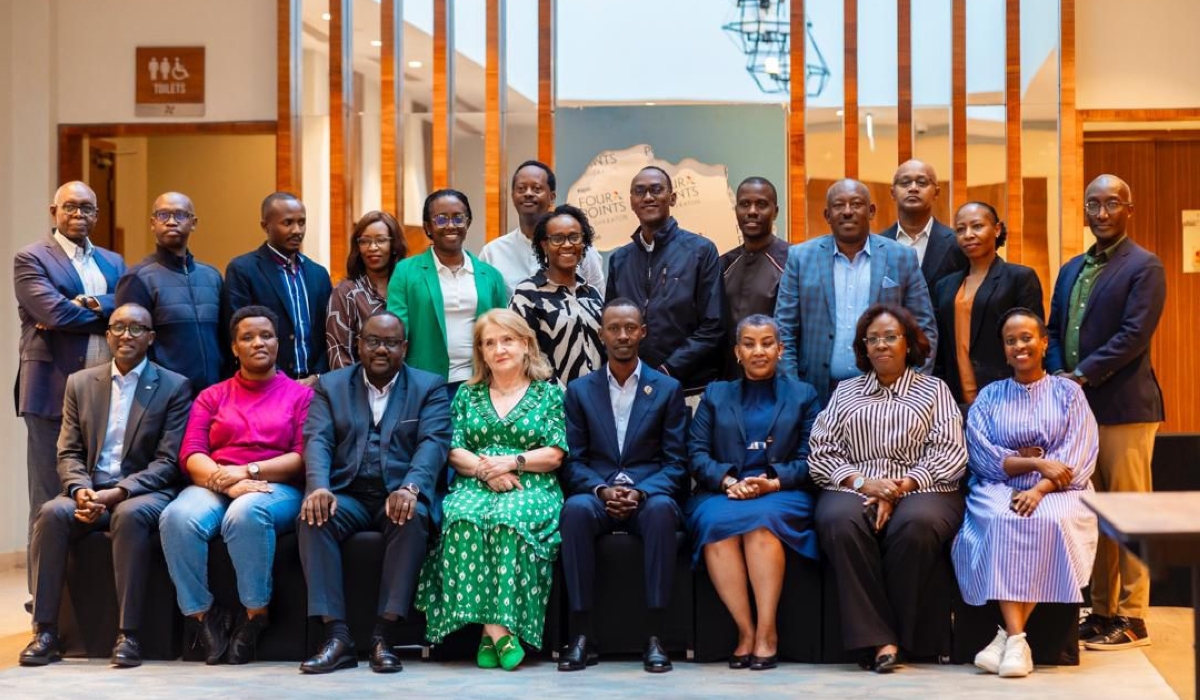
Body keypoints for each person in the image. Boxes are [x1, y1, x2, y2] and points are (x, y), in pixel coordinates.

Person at [20, 303, 192, 668]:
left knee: (128, 516)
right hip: (91, 489)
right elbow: (68, 451)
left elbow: (167, 462)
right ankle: (45, 632)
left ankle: (129, 635)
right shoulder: (80, 383)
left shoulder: (174, 386)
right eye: (117, 327)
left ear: (151, 337)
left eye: (136, 329)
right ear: (108, 334)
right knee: (51, 514)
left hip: (142, 493)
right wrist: (79, 490)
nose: (126, 335)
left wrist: (119, 492)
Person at [809, 303, 966, 673]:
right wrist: (865, 484)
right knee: (839, 522)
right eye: (872, 339)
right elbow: (821, 450)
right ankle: (884, 641)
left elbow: (951, 451)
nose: (881, 345)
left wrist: (901, 487)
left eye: (890, 337)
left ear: (908, 343)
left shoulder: (935, 390)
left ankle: (883, 638)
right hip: (856, 484)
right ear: (863, 348)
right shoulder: (845, 392)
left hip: (924, 484)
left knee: (916, 525)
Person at [1046, 174, 1166, 650]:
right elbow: (1053, 329)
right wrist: (1061, 374)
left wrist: (1081, 374)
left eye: (1112, 203)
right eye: (1093, 204)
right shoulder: (1071, 268)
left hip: (1125, 406)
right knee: (1093, 510)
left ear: (1128, 209)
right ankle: (1101, 610)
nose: (1101, 213)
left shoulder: (1144, 265)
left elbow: (1134, 334)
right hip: (1080, 410)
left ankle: (1134, 616)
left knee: (1129, 510)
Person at [158, 305, 313, 665]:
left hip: (275, 485)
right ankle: (203, 615)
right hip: (216, 481)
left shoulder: (300, 396)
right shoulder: (212, 395)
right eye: (248, 337)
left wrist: (247, 472)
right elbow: (192, 453)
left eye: (266, 335)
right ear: (234, 347)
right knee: (176, 517)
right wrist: (226, 483)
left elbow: (301, 457)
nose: (258, 343)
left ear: (278, 343)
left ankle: (255, 615)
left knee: (245, 514)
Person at [298, 312, 451, 674]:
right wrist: (318, 487)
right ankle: (336, 638)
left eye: (391, 343)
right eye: (373, 341)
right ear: (359, 345)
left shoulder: (428, 386)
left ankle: (385, 635)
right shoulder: (331, 385)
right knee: (312, 516)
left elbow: (433, 442)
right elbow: (317, 439)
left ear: (405, 348)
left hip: (397, 491)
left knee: (412, 516)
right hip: (347, 492)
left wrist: (411, 487)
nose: (381, 349)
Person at [415, 309, 566, 671]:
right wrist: (486, 471)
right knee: (462, 516)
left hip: (531, 483)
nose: (499, 349)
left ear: (525, 344)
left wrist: (510, 462)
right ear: (481, 352)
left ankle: (492, 632)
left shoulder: (548, 394)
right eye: (490, 343)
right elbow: (453, 449)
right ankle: (500, 634)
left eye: (507, 340)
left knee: (507, 518)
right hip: (476, 481)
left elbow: (555, 453)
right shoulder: (467, 395)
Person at [953, 308, 1100, 678]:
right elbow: (982, 454)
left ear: (1044, 343)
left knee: (1049, 521)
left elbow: (1077, 457)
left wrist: (1040, 487)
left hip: (1060, 490)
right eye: (1010, 341)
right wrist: (1035, 463)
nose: (1019, 346)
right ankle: (1018, 638)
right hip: (999, 485)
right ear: (1004, 350)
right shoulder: (990, 396)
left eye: (1026, 338)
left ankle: (1007, 639)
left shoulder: (1069, 393)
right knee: (1002, 519)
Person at [558, 298, 689, 674]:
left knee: (662, 510)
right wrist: (601, 490)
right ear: (601, 334)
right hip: (598, 492)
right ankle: (582, 636)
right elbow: (573, 460)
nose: (622, 335)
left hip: (647, 493)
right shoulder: (580, 390)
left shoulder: (667, 389)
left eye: (630, 328)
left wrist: (641, 491)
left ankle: (655, 636)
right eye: (614, 328)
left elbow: (676, 463)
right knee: (574, 510)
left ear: (642, 332)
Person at [686, 314, 821, 671]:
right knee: (715, 526)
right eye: (749, 344)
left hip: (782, 492)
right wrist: (729, 481)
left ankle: (767, 633)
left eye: (766, 343)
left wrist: (772, 482)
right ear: (737, 352)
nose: (758, 351)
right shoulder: (716, 394)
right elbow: (696, 453)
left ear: (780, 349)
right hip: (724, 492)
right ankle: (745, 632)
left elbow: (813, 459)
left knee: (761, 526)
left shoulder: (804, 395)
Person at [14, 181, 125, 570]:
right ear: (54, 211)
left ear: (97, 214)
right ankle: (41, 597)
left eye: (87, 208)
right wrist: (107, 317)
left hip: (106, 397)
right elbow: (54, 313)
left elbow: (130, 305)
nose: (79, 214)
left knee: (97, 495)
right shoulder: (31, 258)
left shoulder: (114, 262)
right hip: (51, 393)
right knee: (48, 497)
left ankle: (82, 597)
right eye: (70, 207)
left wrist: (89, 303)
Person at [776, 179, 936, 407]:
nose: (848, 211)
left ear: (871, 211)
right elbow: (784, 330)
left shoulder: (901, 257)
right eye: (838, 205)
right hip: (815, 392)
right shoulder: (801, 258)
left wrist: (912, 387)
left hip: (888, 394)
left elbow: (924, 328)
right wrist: (794, 390)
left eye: (856, 204)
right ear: (827, 215)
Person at [605, 166, 724, 391]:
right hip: (632, 387)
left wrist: (667, 371)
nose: (648, 197)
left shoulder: (700, 251)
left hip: (690, 388)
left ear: (672, 198)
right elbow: (611, 324)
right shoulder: (619, 260)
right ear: (631, 202)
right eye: (640, 191)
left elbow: (713, 325)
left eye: (656, 190)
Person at [387, 189, 508, 398]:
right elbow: (396, 332)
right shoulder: (405, 272)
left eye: (458, 218)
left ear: (468, 222)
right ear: (428, 227)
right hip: (423, 384)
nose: (451, 225)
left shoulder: (491, 275)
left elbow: (503, 331)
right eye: (441, 219)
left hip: (482, 384)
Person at [932, 202, 1044, 406]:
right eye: (960, 229)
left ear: (997, 229)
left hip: (1009, 395)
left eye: (977, 226)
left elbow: (1032, 342)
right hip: (955, 398)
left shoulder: (1019, 278)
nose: (968, 235)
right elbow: (941, 346)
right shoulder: (944, 286)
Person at [116, 192, 225, 392]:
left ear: (193, 223)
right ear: (152, 223)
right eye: (163, 215)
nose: (171, 222)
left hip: (214, 394)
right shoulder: (138, 278)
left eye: (180, 215)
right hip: (165, 395)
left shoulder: (212, 277)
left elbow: (224, 338)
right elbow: (130, 346)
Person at [223, 192, 333, 385]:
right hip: (266, 385)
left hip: (314, 386)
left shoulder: (319, 274)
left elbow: (328, 332)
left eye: (302, 222)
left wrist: (317, 376)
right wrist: (282, 383)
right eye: (287, 223)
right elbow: (239, 332)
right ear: (265, 226)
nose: (297, 230)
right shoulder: (243, 270)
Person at [509, 204, 605, 385]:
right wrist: (558, 393)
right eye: (557, 239)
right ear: (544, 245)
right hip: (552, 398)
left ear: (583, 242)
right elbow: (523, 355)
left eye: (574, 237)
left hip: (596, 396)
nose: (567, 245)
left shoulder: (592, 293)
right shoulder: (528, 294)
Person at [481, 160, 606, 294]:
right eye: (521, 188)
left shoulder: (579, 249)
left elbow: (598, 298)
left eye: (537, 189)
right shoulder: (492, 253)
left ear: (552, 197)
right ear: (513, 196)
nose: (528, 193)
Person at [720, 177, 791, 378]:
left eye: (761, 204)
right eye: (744, 204)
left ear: (775, 212)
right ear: (736, 210)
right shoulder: (722, 264)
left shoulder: (792, 261)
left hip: (778, 379)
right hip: (730, 379)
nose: (752, 211)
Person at [326, 210, 406, 370]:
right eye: (365, 241)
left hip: (408, 382)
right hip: (360, 383)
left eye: (381, 240)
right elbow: (339, 355)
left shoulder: (408, 286)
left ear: (394, 246)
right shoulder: (346, 292)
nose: (372, 247)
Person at [879, 159, 968, 294]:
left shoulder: (957, 243)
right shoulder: (877, 245)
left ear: (936, 192)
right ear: (893, 193)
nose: (913, 188)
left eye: (922, 183)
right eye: (905, 183)